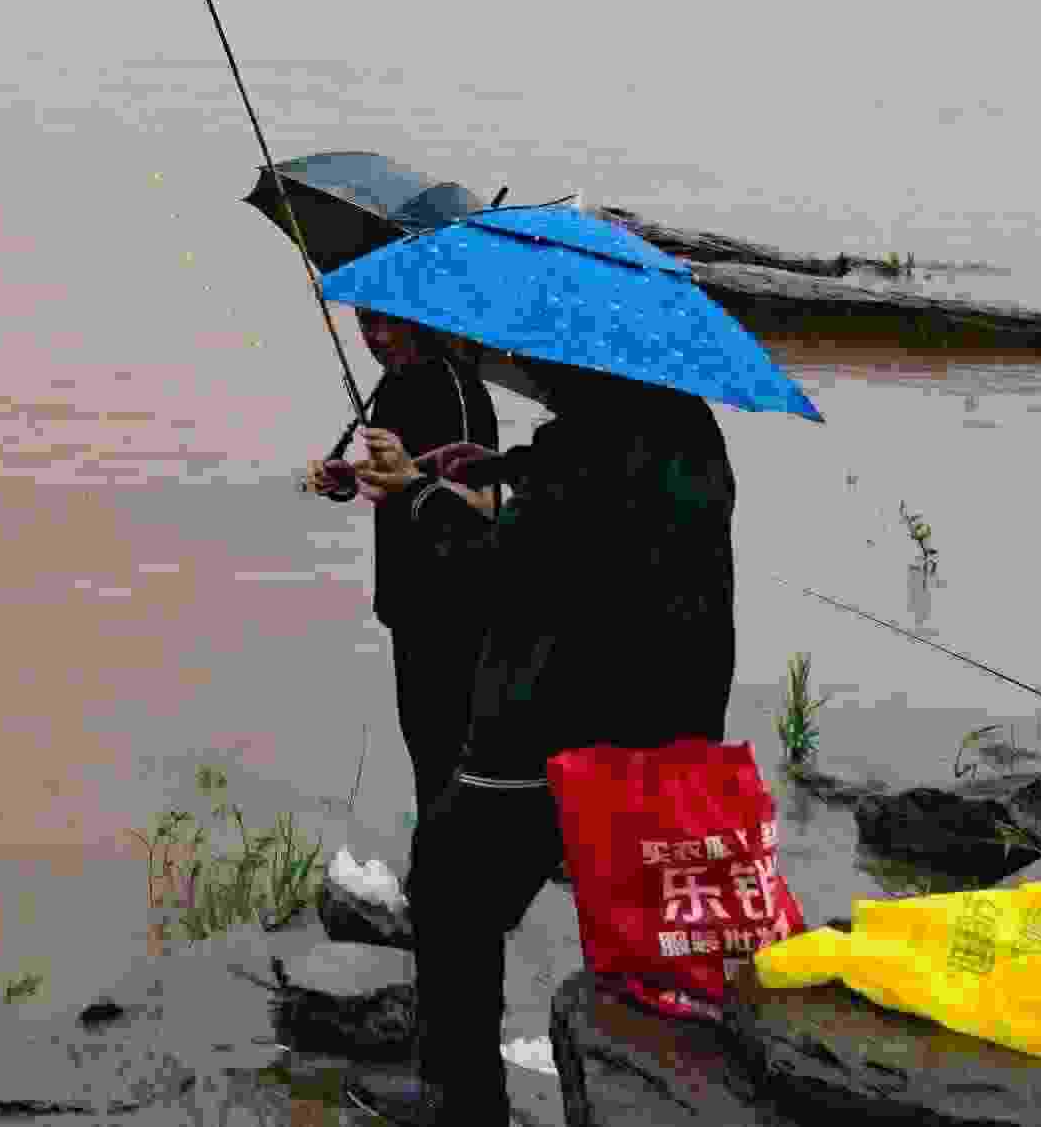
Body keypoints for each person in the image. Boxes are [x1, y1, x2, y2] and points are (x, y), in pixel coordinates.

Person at [349, 346, 737, 1127]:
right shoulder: (684, 424)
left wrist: (418, 495)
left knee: (448, 877)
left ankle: (463, 1103)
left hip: (572, 724)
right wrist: (495, 465)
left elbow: (495, 570)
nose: (528, 366)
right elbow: (587, 488)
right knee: (633, 926)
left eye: (542, 359)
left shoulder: (588, 444)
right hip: (678, 718)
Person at [305, 305, 502, 818]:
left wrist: (410, 479)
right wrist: (350, 479)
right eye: (366, 322)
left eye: (390, 321)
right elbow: (399, 479)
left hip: (457, 612)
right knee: (427, 762)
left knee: (452, 766)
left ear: (420, 318)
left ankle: (448, 864)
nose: (378, 336)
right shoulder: (392, 388)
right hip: (406, 607)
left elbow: (481, 507)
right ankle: (432, 862)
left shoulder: (457, 389)